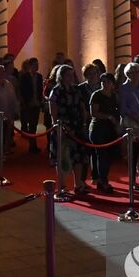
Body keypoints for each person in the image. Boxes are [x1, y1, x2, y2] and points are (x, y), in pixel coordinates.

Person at [48, 64, 89, 196]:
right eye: (67, 75)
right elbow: (53, 112)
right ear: (61, 76)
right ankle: (62, 185)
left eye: (72, 75)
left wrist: (83, 123)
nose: (70, 77)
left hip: (76, 126)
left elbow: (81, 107)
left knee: (78, 157)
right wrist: (60, 127)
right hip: (62, 127)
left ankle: (78, 184)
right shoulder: (56, 91)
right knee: (63, 158)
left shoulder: (76, 90)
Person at [17, 57, 45, 154]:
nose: (37, 66)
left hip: (36, 104)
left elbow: (40, 90)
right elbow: (21, 90)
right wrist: (24, 102)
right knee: (31, 126)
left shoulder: (39, 76)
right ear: (30, 66)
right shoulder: (24, 76)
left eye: (37, 64)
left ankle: (33, 145)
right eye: (35, 65)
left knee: (34, 125)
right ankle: (32, 145)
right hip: (28, 104)